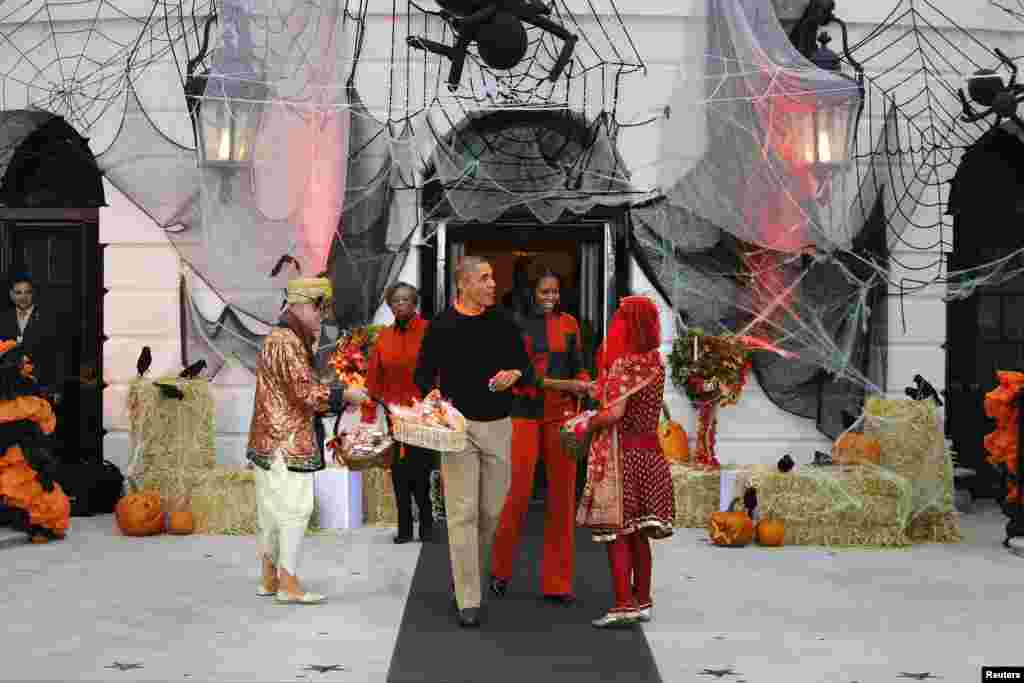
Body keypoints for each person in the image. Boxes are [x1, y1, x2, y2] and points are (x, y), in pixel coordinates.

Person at [413, 255, 533, 628]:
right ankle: (468, 596)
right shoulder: (441, 326)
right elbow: (422, 375)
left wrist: (514, 374)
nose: (492, 285)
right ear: (463, 285)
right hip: (458, 429)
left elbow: (524, 367)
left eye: (492, 278)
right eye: (484, 278)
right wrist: (431, 396)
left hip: (498, 426)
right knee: (462, 513)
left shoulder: (503, 322)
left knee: (490, 513)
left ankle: (465, 572)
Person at [246, 276, 367, 605]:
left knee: (270, 511)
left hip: (267, 440)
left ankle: (269, 577)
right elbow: (306, 394)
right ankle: (288, 583)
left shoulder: (279, 337)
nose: (321, 317)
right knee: (297, 510)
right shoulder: (287, 341)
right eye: (318, 309)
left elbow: (292, 387)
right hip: (287, 442)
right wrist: (346, 394)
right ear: (300, 305)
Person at [490, 268, 591, 604]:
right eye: (545, 292)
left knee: (562, 498)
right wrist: (567, 384)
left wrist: (585, 382)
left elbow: (580, 364)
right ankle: (500, 572)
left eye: (555, 292)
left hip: (562, 416)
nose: (551, 298)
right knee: (515, 495)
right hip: (524, 413)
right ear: (532, 292)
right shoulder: (516, 324)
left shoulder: (570, 324)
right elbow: (525, 376)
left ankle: (558, 583)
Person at [576, 295, 676, 628]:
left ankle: (622, 604)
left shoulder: (625, 364)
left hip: (622, 456)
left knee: (617, 532)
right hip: (650, 454)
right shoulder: (656, 363)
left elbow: (614, 413)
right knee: (639, 533)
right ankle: (643, 600)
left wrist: (584, 423)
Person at [361, 282, 435, 544]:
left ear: (414, 303)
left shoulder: (428, 331)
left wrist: (439, 405)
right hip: (394, 416)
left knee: (422, 474)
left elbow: (440, 370)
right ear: (390, 305)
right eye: (395, 300)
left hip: (423, 416)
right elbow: (373, 378)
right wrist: (367, 416)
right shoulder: (384, 336)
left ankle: (426, 524)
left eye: (406, 299)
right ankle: (404, 528)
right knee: (400, 474)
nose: (401, 304)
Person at [0, 275, 60, 391]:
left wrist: (56, 388)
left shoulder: (48, 318)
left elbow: (58, 355)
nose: (23, 297)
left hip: (41, 385)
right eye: (18, 293)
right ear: (11, 295)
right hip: (10, 388)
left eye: (27, 292)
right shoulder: (3, 319)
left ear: (33, 294)